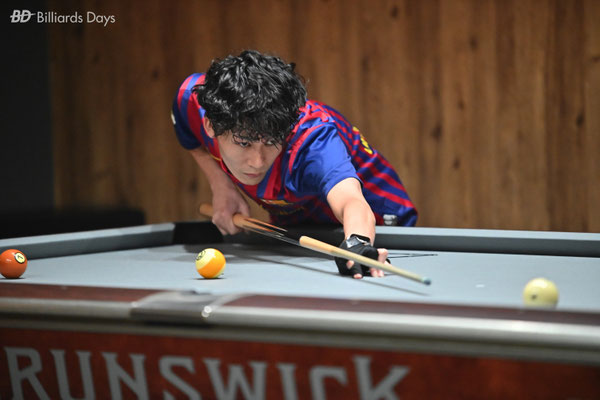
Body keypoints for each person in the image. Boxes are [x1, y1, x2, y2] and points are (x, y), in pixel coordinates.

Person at [171, 50, 417, 279]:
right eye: (244, 143)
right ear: (210, 126)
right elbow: (188, 131)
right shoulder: (194, 100)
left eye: (271, 142)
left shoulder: (314, 142)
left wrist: (358, 244)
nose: (257, 161)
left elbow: (350, 200)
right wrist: (221, 184)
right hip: (296, 226)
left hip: (376, 223)